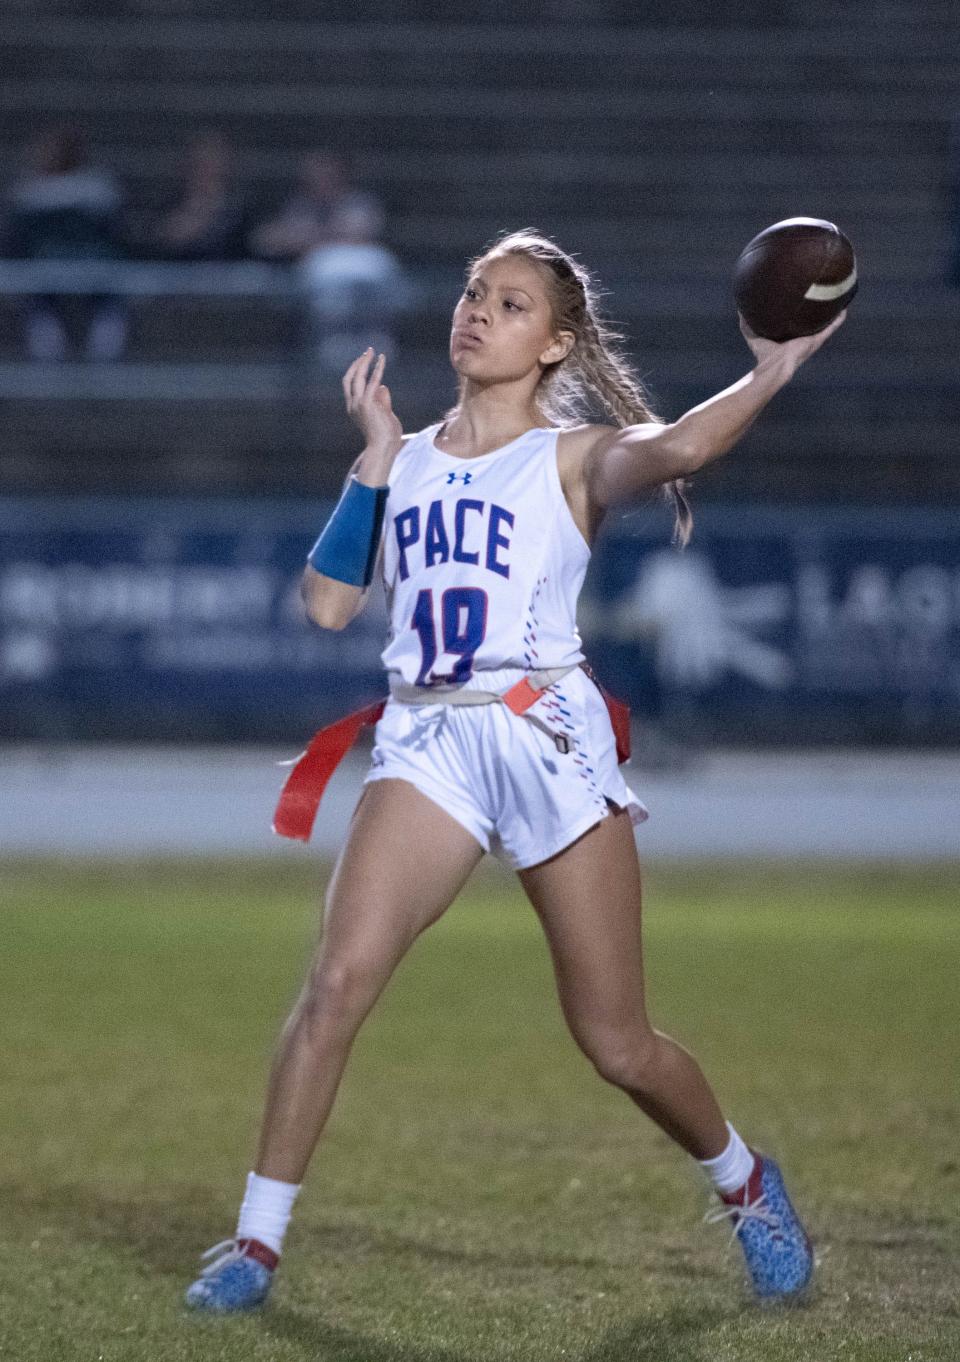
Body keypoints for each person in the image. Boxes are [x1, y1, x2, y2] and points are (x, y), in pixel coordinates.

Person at [184, 230, 844, 1314]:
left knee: (617, 1044)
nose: (478, 312)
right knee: (335, 986)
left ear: (556, 342)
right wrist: (375, 457)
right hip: (428, 740)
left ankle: (744, 1180)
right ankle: (255, 1247)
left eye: (512, 303)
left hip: (544, 736)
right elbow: (328, 606)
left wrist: (773, 369)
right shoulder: (407, 458)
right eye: (474, 293)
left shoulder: (574, 456)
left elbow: (676, 449)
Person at [248, 150, 406, 367]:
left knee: (380, 268)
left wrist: (311, 236)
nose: (322, 177)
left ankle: (377, 339)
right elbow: (270, 239)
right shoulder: (300, 206)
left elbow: (361, 233)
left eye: (328, 171)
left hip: (363, 267)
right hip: (321, 273)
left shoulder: (359, 202)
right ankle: (332, 340)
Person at [2, 127, 128, 361]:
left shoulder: (93, 190)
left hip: (89, 264)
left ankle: (101, 348)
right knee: (39, 297)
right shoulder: (98, 190)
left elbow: (114, 236)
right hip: (47, 267)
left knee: (108, 295)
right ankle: (58, 345)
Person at [150, 130, 248, 261]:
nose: (205, 171)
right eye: (199, 164)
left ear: (226, 167)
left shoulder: (245, 214)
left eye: (211, 163)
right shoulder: (162, 209)